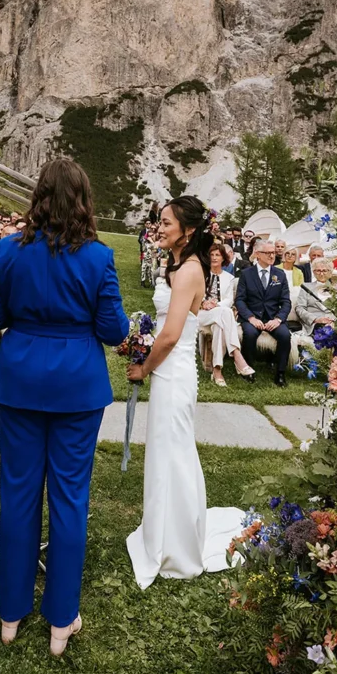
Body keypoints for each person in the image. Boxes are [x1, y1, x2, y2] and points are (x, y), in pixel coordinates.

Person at [0, 157, 129, 656]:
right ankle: (62, 620)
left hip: (20, 379)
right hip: (77, 387)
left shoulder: (8, 251)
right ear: (83, 200)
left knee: (18, 493)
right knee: (69, 499)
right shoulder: (98, 258)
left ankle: (10, 614)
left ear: (38, 197)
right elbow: (113, 330)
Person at [125, 196, 243, 589]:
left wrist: (143, 366)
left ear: (189, 230)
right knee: (167, 452)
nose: (160, 228)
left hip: (174, 375)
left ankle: (177, 545)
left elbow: (172, 334)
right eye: (158, 222)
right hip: (170, 373)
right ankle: (163, 530)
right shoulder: (178, 265)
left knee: (175, 453)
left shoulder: (190, 270)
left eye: (167, 223)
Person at [235, 239, 292, 387]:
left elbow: (286, 301)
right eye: (268, 253)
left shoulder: (280, 274)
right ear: (258, 254)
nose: (272, 256)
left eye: (273, 253)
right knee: (250, 334)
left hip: (273, 317)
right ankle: (248, 369)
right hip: (252, 317)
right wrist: (251, 318)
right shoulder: (246, 274)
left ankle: (280, 373)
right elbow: (240, 300)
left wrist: (278, 319)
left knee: (285, 335)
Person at [198, 244, 255, 386]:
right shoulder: (201, 274)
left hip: (219, 314)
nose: (214, 258)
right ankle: (237, 355)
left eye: (217, 255)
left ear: (223, 257)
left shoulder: (229, 278)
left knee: (219, 326)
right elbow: (194, 294)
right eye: (211, 255)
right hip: (201, 314)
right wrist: (204, 303)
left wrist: (216, 305)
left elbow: (229, 300)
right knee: (226, 313)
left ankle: (217, 370)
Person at [295, 257, 337, 334]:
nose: (321, 273)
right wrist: (315, 319)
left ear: (330, 272)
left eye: (324, 270)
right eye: (318, 270)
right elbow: (299, 308)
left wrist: (333, 321)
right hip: (315, 323)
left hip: (333, 322)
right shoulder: (306, 287)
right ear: (313, 272)